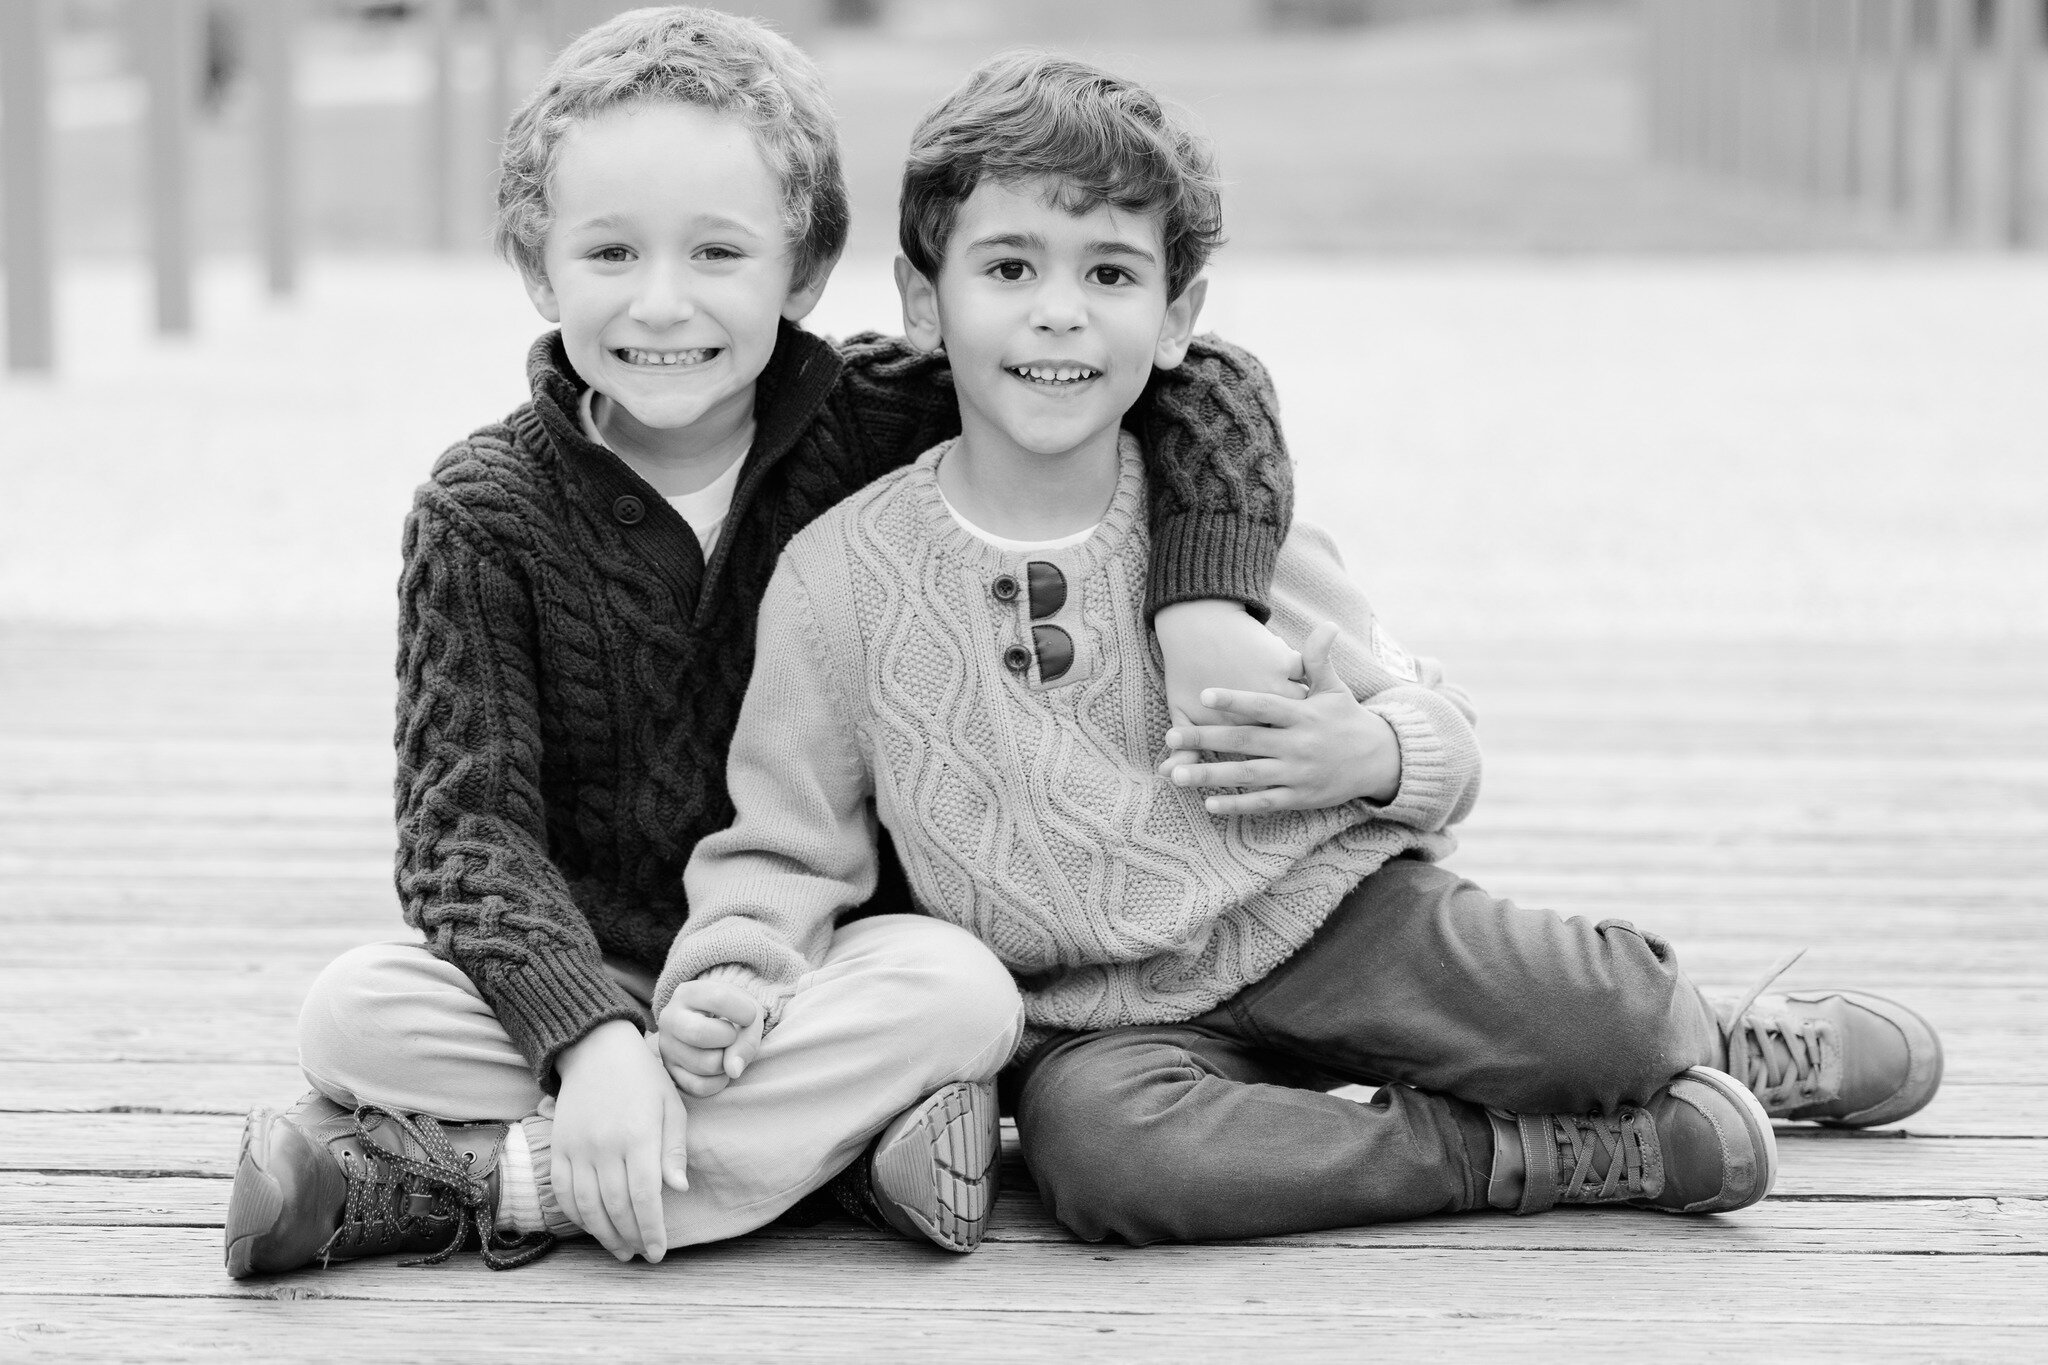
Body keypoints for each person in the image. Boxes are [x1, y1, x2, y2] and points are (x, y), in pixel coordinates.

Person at [652, 50, 1945, 1246]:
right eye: (1009, 269)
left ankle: (1700, 1031)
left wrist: (1373, 751)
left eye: (1109, 274)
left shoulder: (1224, 523)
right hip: (1093, 1008)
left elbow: (1441, 735)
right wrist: (730, 971)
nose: (1059, 314)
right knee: (1107, 1164)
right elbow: (786, 840)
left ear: (1176, 317)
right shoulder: (840, 574)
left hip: (1328, 918)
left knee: (1617, 1016)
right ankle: (1543, 1152)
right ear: (923, 301)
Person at [221, 8, 1305, 1279]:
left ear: (800, 272)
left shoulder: (869, 419)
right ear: (536, 265)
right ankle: (842, 1151)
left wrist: (1199, 603)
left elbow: (1193, 378)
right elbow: (463, 842)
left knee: (962, 993)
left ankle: (496, 1181)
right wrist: (593, 1042)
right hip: (594, 961)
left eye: (718, 252)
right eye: (611, 252)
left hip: (809, 958)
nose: (662, 303)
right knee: (352, 1013)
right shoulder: (482, 513)